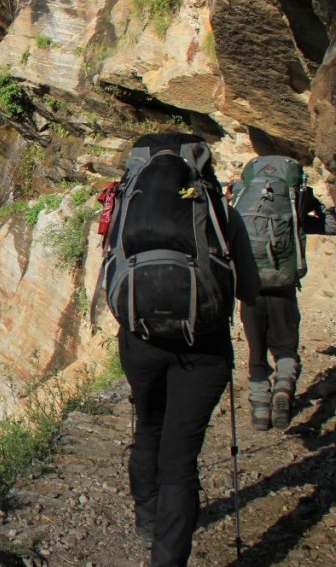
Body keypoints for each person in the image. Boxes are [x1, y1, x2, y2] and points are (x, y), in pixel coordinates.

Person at [104, 134, 261, 566]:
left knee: (148, 428)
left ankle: (146, 521)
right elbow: (249, 289)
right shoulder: (218, 210)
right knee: (180, 456)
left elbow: (110, 275)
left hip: (141, 342)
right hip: (204, 348)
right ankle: (168, 558)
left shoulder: (125, 205)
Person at [231, 163, 336, 430]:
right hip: (283, 287)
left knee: (256, 350)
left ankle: (260, 409)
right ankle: (283, 390)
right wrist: (313, 203)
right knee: (286, 347)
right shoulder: (292, 209)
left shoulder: (240, 205)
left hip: (251, 288)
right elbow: (331, 226)